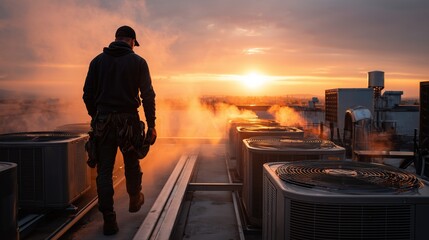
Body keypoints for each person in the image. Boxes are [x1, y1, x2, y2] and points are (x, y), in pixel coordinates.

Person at [83, 25, 157, 235]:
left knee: (104, 171)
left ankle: (109, 219)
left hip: (103, 122)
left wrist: (96, 117)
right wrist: (151, 125)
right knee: (131, 161)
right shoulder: (138, 62)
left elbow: (87, 94)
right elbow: (148, 96)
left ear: (116, 39)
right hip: (128, 122)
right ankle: (134, 197)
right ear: (132, 41)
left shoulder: (97, 62)